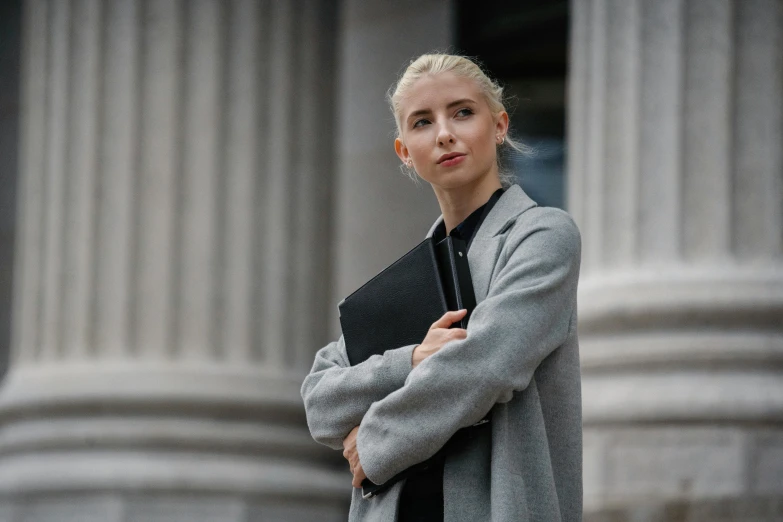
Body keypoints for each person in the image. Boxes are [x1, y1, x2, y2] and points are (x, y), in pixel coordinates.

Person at [301, 53, 582, 522]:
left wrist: (373, 442)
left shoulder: (541, 236)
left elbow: (486, 365)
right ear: (405, 151)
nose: (445, 133)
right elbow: (320, 402)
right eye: (422, 122)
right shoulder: (403, 283)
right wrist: (410, 359)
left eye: (463, 112)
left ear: (499, 125)